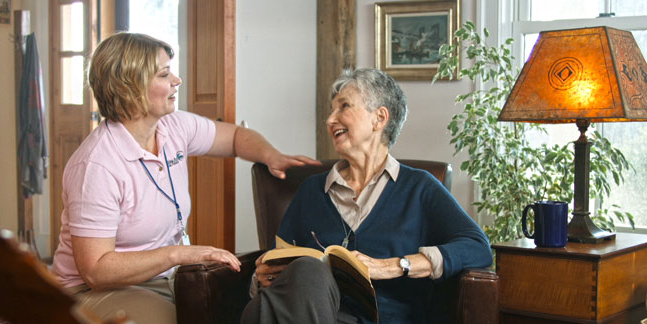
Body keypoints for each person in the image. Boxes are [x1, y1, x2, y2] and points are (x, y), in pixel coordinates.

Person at [49, 32, 319, 324]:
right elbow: (96, 270)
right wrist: (177, 255)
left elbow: (237, 137)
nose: (177, 80)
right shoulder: (97, 166)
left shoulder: (174, 126)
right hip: (89, 291)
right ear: (131, 87)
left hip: (164, 279)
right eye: (165, 74)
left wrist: (270, 155)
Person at [240, 68, 493, 324]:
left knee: (265, 309)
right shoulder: (311, 191)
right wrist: (260, 277)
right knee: (294, 281)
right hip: (313, 314)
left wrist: (394, 266)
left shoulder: (419, 188)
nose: (330, 120)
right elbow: (272, 265)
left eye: (343, 107)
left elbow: (478, 248)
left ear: (379, 118)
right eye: (331, 110)